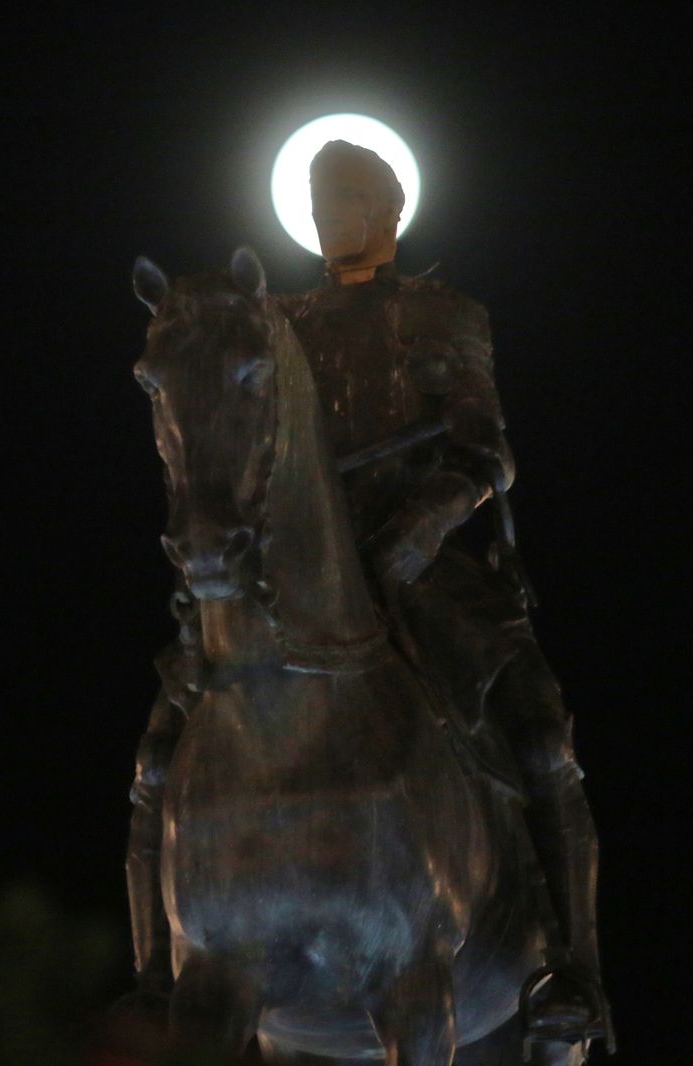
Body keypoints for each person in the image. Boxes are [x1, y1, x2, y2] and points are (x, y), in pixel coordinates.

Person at [125, 140, 611, 1051]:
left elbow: (482, 448)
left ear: (388, 206)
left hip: (411, 560)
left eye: (344, 195)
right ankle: (160, 971)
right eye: (315, 198)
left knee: (539, 728)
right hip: (287, 566)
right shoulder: (273, 320)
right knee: (158, 754)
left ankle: (568, 970)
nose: (326, 212)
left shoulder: (435, 312)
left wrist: (424, 524)